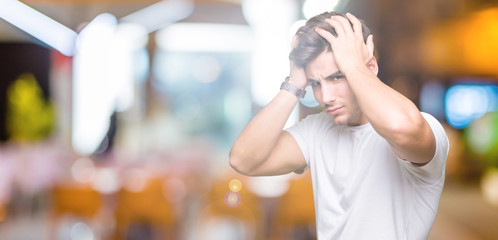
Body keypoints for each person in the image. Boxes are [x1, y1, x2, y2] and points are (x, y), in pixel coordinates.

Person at [229, 11, 449, 239]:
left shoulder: (425, 127)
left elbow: (400, 128)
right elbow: (242, 159)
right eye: (315, 83)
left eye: (337, 77)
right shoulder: (316, 130)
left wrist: (354, 67)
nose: (326, 96)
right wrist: (295, 83)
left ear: (370, 67)